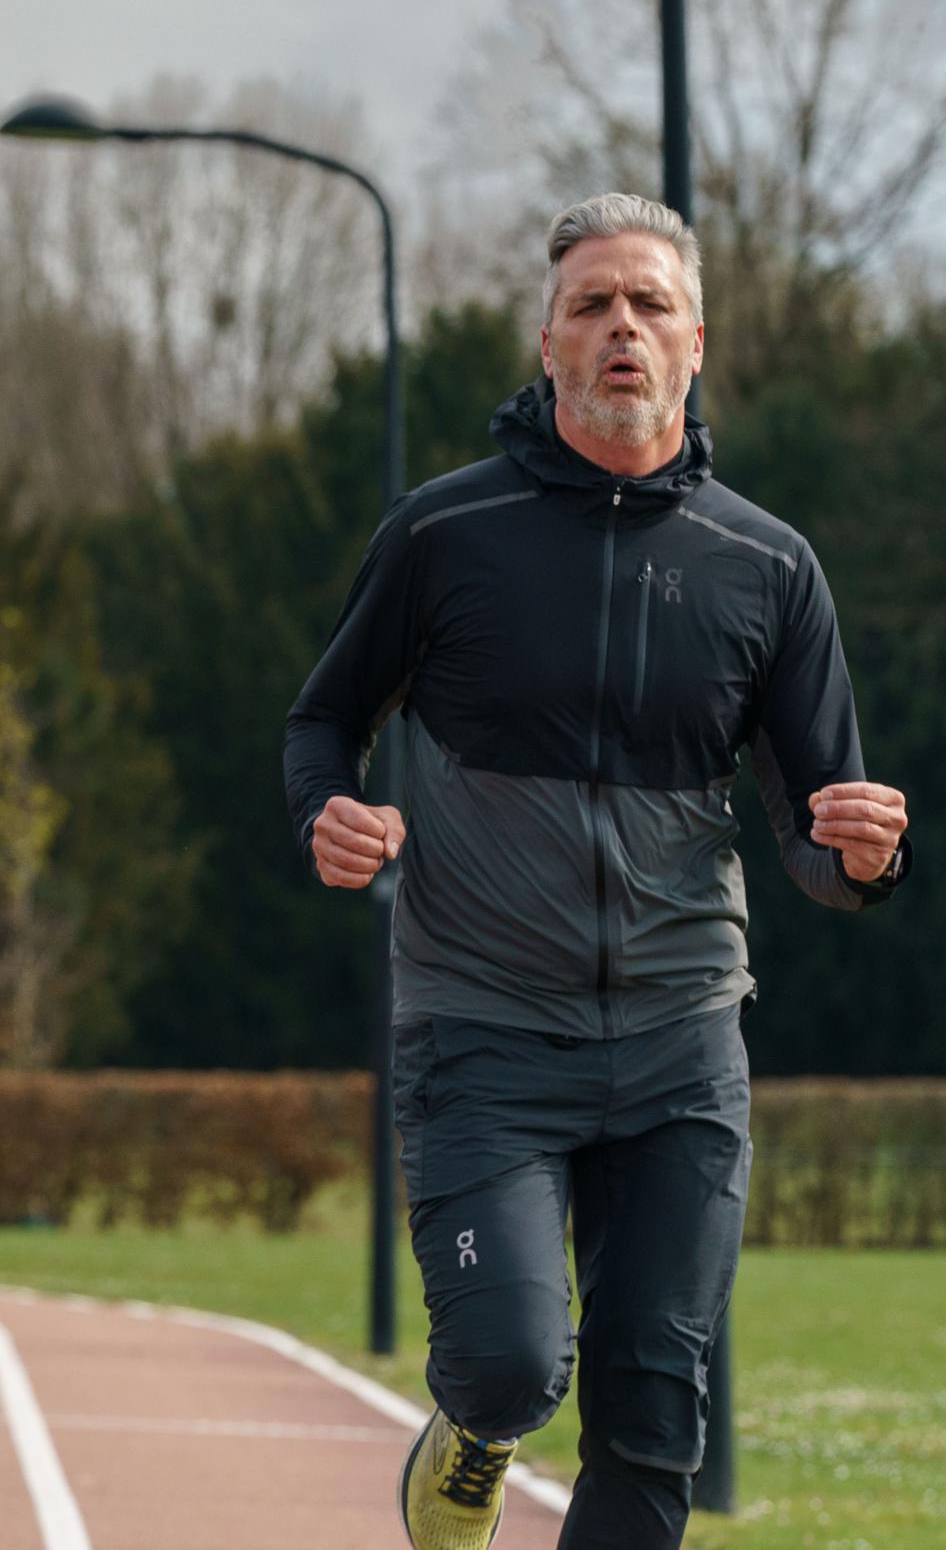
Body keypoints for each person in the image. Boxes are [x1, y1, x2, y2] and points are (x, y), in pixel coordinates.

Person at [285, 192, 909, 1550]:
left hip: (681, 1045)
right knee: (511, 1359)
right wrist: (327, 806)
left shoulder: (768, 566)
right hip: (481, 1032)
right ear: (548, 344)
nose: (619, 324)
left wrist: (859, 858)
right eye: (590, 304)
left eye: (647, 304)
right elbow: (322, 716)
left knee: (650, 1409)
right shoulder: (444, 535)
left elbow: (818, 835)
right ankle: (472, 1426)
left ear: (694, 345)